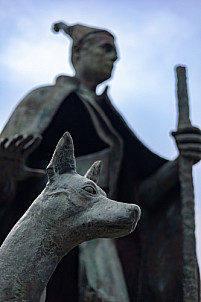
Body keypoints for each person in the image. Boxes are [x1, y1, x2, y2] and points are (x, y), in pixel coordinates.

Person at [0, 21, 201, 301]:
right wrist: (7, 173)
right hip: (50, 240)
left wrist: (182, 160)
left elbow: (142, 195)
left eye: (115, 52)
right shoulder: (41, 99)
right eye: (106, 49)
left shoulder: (112, 118)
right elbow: (10, 175)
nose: (114, 58)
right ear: (78, 53)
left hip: (104, 246)